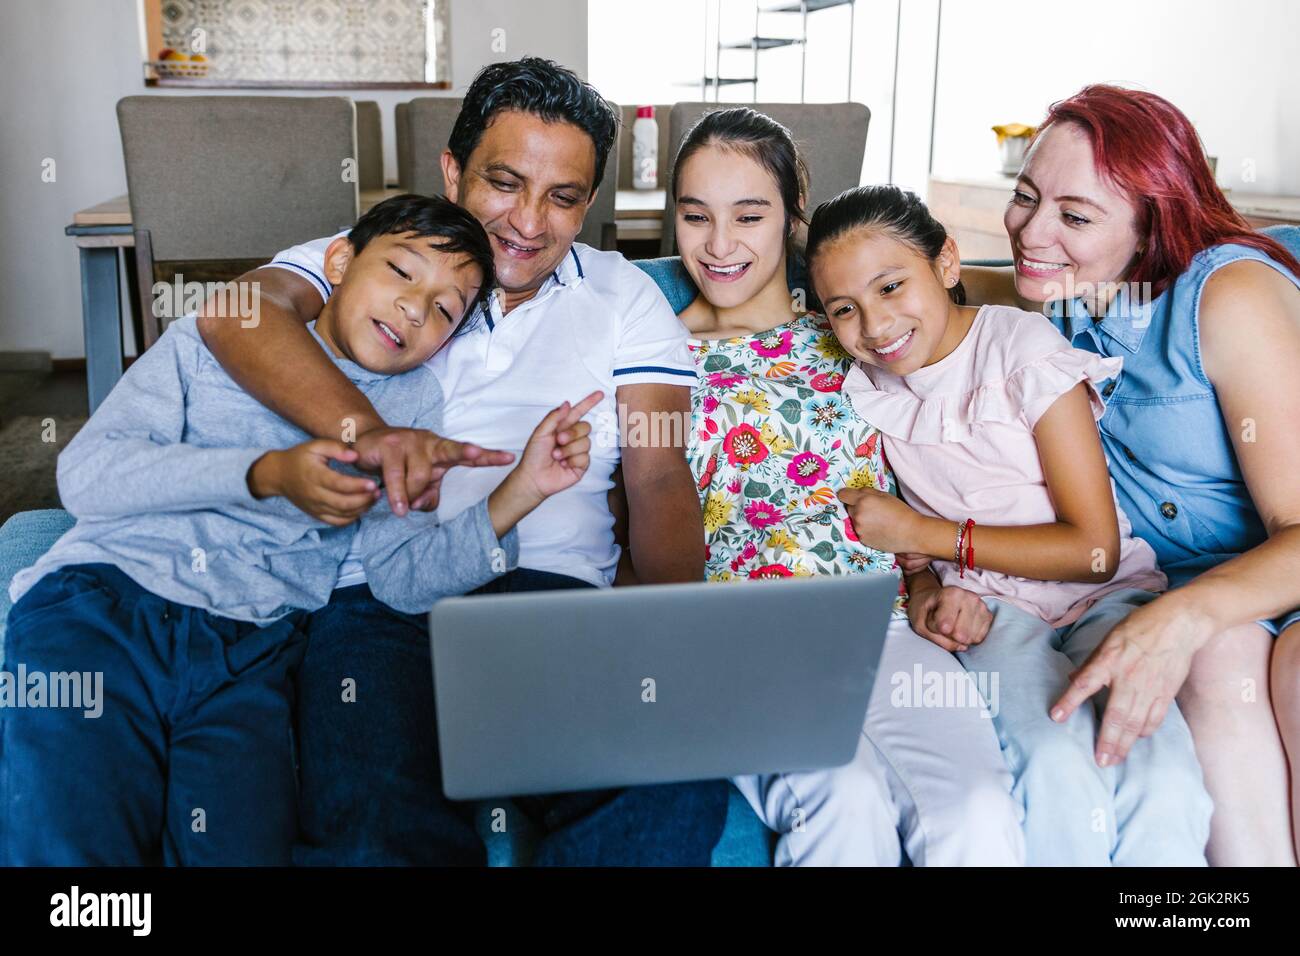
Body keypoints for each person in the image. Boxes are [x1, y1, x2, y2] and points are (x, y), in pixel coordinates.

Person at [196, 58, 728, 865]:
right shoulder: (381, 258)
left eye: (562, 198)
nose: (527, 222)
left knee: (672, 784)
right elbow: (236, 314)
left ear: (588, 204)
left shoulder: (623, 297)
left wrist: (674, 633)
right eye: (504, 182)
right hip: (379, 603)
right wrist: (372, 433)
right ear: (452, 170)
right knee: (373, 819)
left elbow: (657, 475)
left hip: (553, 605)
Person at [1, 194, 595, 865]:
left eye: (444, 310)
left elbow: (401, 579)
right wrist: (265, 474)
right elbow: (88, 476)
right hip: (109, 606)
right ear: (339, 261)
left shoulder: (413, 409)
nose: (413, 308)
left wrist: (519, 493)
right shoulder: (213, 338)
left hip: (251, 654)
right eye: (401, 273)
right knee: (70, 849)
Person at [624, 108, 1025, 866]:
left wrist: (933, 579)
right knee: (843, 800)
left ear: (793, 220)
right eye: (695, 216)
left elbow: (926, 475)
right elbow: (629, 517)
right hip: (739, 638)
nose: (719, 244)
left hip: (884, 627)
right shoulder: (653, 353)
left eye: (749, 215)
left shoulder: (859, 328)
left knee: (974, 813)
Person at [808, 183, 1212, 865]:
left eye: (890, 286)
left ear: (946, 264)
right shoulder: (864, 388)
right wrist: (929, 589)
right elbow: (895, 544)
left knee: (1159, 776)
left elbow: (1094, 551)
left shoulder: (1020, 350)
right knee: (1051, 765)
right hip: (995, 613)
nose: (873, 326)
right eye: (843, 309)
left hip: (1107, 598)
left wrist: (927, 538)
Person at [960, 86, 1300, 865]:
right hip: (1192, 607)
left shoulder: (1229, 294)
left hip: (1274, 584)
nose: (1031, 231)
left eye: (1075, 217)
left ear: (1156, 221)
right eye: (1024, 197)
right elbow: (948, 293)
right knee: (1219, 658)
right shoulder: (1067, 305)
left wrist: (1181, 618)